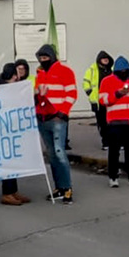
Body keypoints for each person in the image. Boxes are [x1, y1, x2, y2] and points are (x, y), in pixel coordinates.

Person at [34, 44, 78, 204]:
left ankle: (67, 188)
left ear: (52, 57)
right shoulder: (40, 74)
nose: (43, 60)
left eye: (45, 57)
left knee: (60, 153)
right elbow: (37, 95)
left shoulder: (65, 72)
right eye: (41, 58)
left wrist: (63, 112)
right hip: (43, 118)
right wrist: (38, 97)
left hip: (57, 118)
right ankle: (59, 187)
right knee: (52, 155)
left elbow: (72, 93)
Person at [99, 56, 129, 188]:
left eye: (126, 70)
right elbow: (103, 101)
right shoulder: (106, 81)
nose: (124, 73)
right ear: (117, 71)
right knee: (114, 151)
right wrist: (117, 94)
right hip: (115, 122)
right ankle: (113, 177)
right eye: (122, 70)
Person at [0, 64, 32, 206]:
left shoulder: (9, 87)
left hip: (11, 130)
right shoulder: (4, 88)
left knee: (13, 161)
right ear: (13, 75)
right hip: (4, 131)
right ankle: (7, 193)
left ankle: (13, 191)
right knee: (8, 161)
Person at [83, 51, 114, 150]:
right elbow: (86, 83)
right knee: (102, 123)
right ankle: (106, 142)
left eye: (107, 59)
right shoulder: (92, 70)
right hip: (98, 101)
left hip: (111, 101)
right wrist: (90, 94)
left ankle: (115, 142)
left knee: (113, 122)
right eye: (104, 59)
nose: (106, 60)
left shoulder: (112, 70)